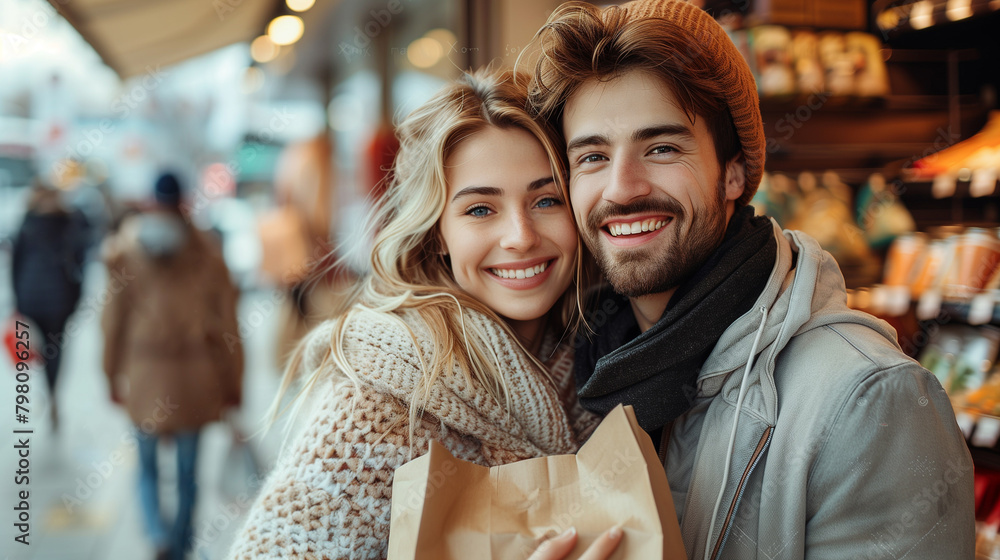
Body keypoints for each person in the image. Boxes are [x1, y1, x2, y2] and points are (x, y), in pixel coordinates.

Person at [527, 1, 974, 558]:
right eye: (592, 156)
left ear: (735, 171)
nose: (622, 187)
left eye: (661, 148)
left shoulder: (869, 399)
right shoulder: (586, 376)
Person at [227, 68, 625, 560]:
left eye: (547, 200)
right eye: (480, 209)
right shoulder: (383, 403)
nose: (521, 235)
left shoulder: (608, 351)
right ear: (437, 230)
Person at [101, 172, 243, 560]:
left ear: (151, 202)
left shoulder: (125, 254)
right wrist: (234, 382)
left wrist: (110, 374)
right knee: (187, 473)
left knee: (146, 467)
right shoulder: (209, 253)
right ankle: (180, 545)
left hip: (145, 375)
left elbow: (112, 323)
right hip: (196, 378)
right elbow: (230, 326)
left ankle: (157, 535)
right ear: (183, 204)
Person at [11, 181, 90, 431]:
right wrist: (77, 297)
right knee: (54, 348)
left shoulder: (28, 222)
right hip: (60, 297)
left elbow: (16, 263)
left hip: (31, 295)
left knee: (37, 347)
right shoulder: (69, 222)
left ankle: (45, 391)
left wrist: (17, 300)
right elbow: (80, 263)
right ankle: (52, 392)